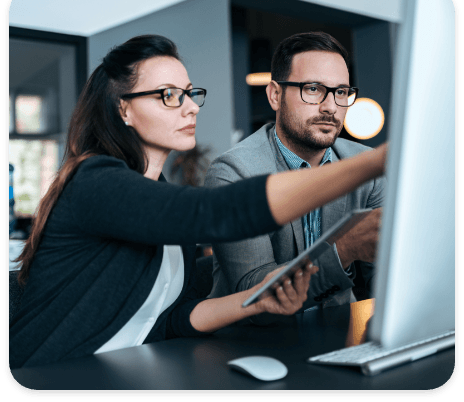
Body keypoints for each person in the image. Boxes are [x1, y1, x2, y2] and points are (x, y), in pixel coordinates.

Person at [9, 35, 387, 369]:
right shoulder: (95, 182)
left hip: (124, 367)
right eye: (169, 96)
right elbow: (217, 212)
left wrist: (258, 300)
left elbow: (170, 320)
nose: (191, 107)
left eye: (189, 93)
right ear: (123, 108)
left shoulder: (158, 188)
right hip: (50, 373)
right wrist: (374, 162)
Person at [204, 32, 386, 323]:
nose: (330, 107)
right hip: (254, 341)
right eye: (313, 89)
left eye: (341, 92)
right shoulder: (234, 172)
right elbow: (255, 292)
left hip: (338, 331)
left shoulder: (367, 167)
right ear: (275, 95)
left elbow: (387, 279)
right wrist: (345, 247)